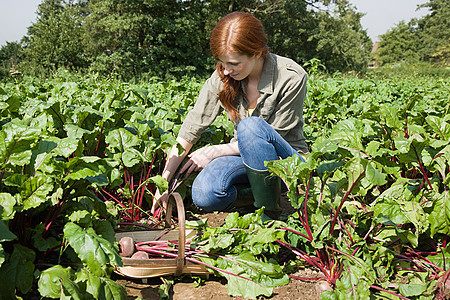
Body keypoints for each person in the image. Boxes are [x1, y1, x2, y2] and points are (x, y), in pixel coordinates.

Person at [152, 11, 308, 221]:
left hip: (286, 161)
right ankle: (260, 196)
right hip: (244, 157)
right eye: (222, 63)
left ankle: (271, 213)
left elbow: (272, 136)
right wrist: (164, 180)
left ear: (257, 52)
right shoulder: (223, 76)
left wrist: (215, 151)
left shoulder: (291, 77)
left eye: (234, 63)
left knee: (250, 127)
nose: (226, 71)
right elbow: (191, 128)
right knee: (204, 193)